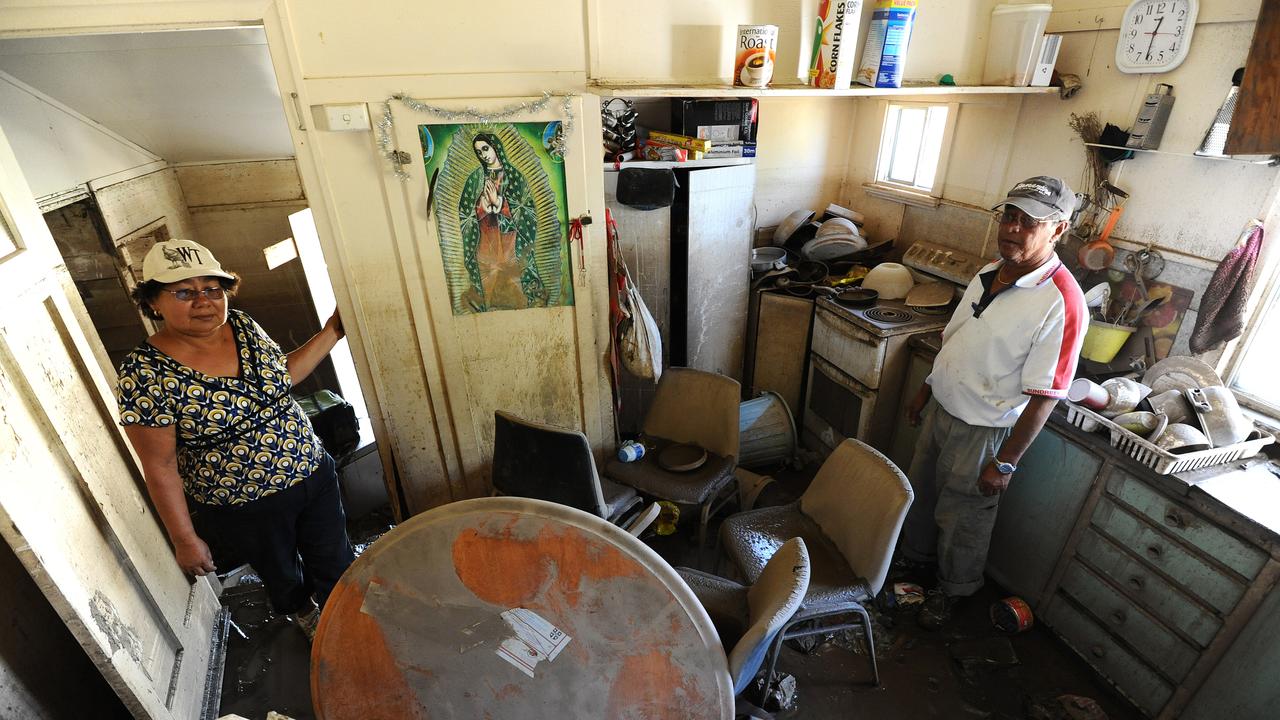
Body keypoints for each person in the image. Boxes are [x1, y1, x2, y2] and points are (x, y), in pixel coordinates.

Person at [115, 239, 354, 638]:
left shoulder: (242, 325)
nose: (204, 301)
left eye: (212, 288)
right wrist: (185, 539)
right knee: (283, 575)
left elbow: (283, 378)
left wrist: (332, 332)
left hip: (313, 471)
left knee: (336, 560)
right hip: (245, 505)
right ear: (154, 301)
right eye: (184, 292)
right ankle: (308, 618)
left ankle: (348, 624)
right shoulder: (144, 373)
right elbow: (159, 465)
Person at [900, 176, 1086, 629]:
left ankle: (952, 591)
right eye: (1010, 217)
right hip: (944, 410)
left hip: (984, 432)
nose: (1013, 229)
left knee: (964, 520)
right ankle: (915, 570)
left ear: (1058, 230)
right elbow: (956, 340)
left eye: (1029, 223)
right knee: (921, 500)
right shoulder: (989, 271)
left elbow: (1046, 398)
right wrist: (926, 390)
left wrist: (1004, 464)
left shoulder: (1063, 302)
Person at [458, 131, 548, 311]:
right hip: (485, 236)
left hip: (511, 238)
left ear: (495, 147)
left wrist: (499, 203)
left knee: (513, 272)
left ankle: (524, 307)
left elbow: (526, 208)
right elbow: (465, 211)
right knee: (488, 273)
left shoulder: (513, 176)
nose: (484, 155)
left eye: (485, 148)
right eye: (479, 152)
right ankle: (491, 307)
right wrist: (482, 205)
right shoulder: (476, 178)